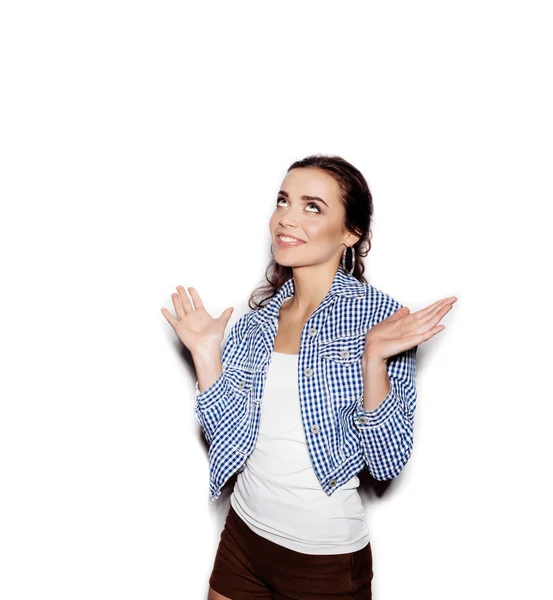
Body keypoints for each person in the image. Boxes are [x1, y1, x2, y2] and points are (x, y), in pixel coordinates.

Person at [161, 154, 457, 599]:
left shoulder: (380, 319)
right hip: (243, 535)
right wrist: (206, 356)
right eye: (283, 201)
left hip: (324, 561)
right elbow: (227, 436)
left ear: (351, 233)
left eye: (312, 206)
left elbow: (387, 462)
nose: (287, 218)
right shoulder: (257, 321)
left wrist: (373, 358)